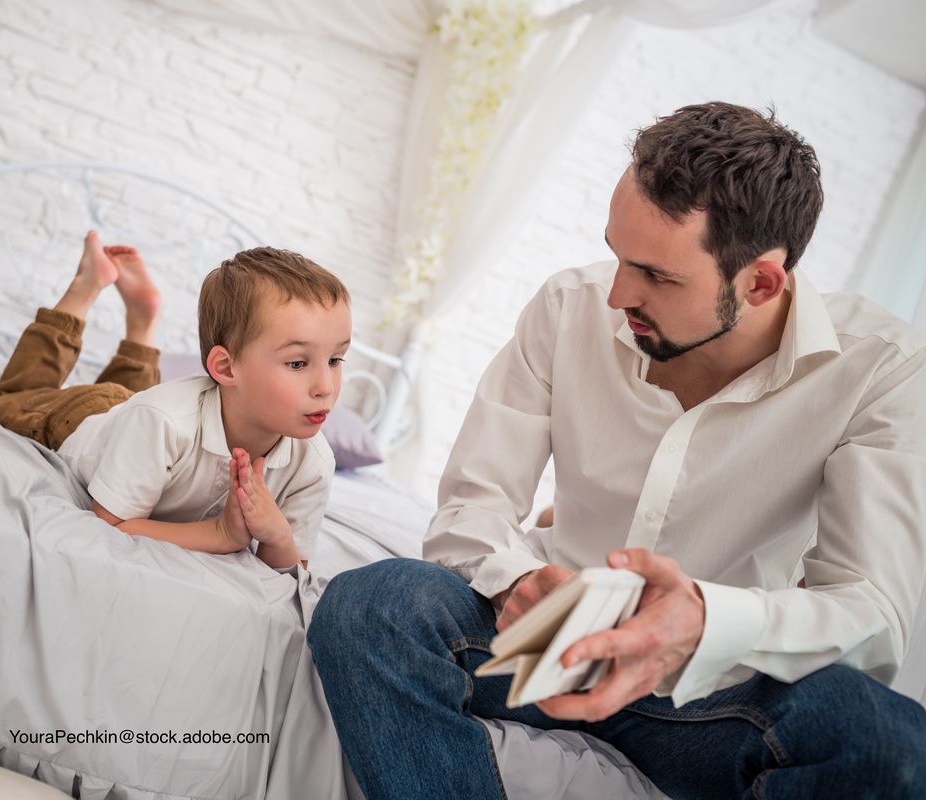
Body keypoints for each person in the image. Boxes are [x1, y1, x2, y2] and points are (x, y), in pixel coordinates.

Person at [307, 102, 926, 799]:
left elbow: (870, 615)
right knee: (374, 605)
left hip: (709, 687)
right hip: (541, 642)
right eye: (617, 253)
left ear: (760, 283)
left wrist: (701, 622)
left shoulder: (881, 369)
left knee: (893, 745)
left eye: (658, 276)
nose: (617, 292)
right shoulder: (567, 308)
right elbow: (473, 507)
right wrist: (515, 584)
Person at [0, 231, 351, 570]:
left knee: (137, 400)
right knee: (9, 399)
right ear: (226, 367)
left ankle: (143, 318)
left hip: (137, 414)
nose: (326, 386)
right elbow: (110, 525)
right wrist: (221, 534)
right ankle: (84, 288)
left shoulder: (313, 461)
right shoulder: (162, 420)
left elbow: (289, 571)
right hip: (83, 418)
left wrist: (278, 535)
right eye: (298, 363)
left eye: (336, 360)